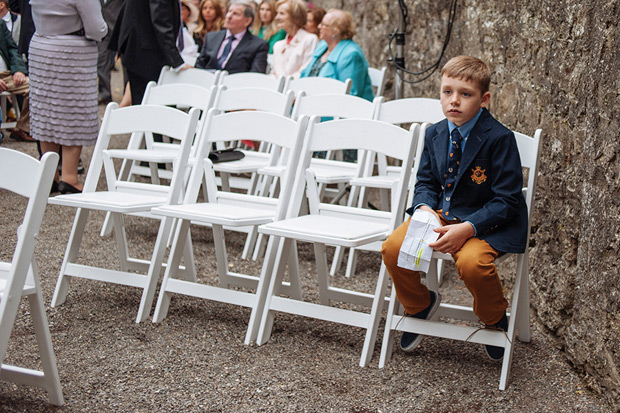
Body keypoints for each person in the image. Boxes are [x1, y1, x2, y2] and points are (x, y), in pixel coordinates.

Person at [380, 56, 529, 362]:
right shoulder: (434, 133)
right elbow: (425, 182)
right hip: (440, 214)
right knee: (393, 248)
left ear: (484, 99)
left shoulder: (500, 138)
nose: (454, 101)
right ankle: (419, 305)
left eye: (465, 94)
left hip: (486, 222)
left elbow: (506, 200)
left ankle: (494, 318)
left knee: (473, 264)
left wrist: (468, 228)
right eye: (447, 92)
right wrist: (423, 209)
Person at [29, 0, 108, 194]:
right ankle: (70, 177)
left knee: (46, 112)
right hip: (71, 53)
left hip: (41, 47)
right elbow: (96, 28)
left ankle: (50, 177)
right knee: (73, 112)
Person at [114, 0, 190, 105]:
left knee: (142, 100)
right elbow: (160, 20)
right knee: (147, 102)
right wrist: (177, 61)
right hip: (145, 50)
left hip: (139, 45)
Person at [300, 9, 373, 101]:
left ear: (336, 30)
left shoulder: (351, 55)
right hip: (310, 103)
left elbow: (351, 95)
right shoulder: (323, 46)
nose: (319, 26)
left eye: (323, 24)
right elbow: (305, 74)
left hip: (332, 110)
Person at [195, 1, 268, 74]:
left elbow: (255, 76)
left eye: (235, 14)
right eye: (229, 11)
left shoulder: (258, 45)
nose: (229, 16)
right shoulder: (211, 37)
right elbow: (199, 66)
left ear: (247, 21)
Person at [0, 12, 31, 142]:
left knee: (36, 87)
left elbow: (12, 48)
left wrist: (18, 70)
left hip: (7, 74)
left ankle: (22, 128)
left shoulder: (0, 23)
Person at [270, 0, 316, 79]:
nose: (277, 17)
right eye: (277, 13)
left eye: (282, 13)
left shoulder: (309, 40)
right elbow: (273, 73)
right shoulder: (278, 45)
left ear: (295, 16)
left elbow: (304, 72)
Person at [97, 0, 124, 106]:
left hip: (119, 26)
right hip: (103, 29)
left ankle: (128, 93)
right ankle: (105, 94)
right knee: (102, 60)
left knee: (126, 61)